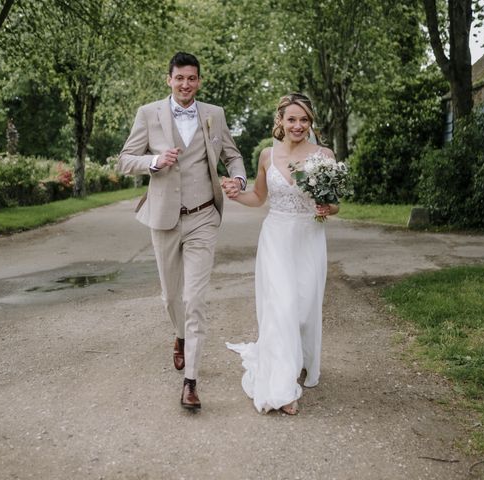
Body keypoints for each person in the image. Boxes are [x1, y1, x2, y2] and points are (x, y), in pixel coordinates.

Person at [117, 52, 247, 411]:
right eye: (180, 78)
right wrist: (154, 161)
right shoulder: (148, 113)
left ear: (199, 81)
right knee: (172, 297)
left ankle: (191, 381)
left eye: (192, 78)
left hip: (203, 216)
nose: (186, 84)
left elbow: (233, 155)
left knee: (195, 299)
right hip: (164, 218)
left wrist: (237, 177)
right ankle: (179, 335)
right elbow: (125, 159)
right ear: (169, 80)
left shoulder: (214, 115)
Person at [223, 93, 338, 415]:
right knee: (282, 306)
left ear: (310, 123)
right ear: (281, 122)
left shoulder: (323, 155)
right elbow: (258, 198)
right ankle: (284, 388)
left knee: (303, 308)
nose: (298, 125)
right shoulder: (266, 155)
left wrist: (328, 207)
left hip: (309, 238)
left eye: (303, 120)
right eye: (292, 119)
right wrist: (235, 195)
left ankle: (298, 360)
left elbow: (335, 204)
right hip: (275, 237)